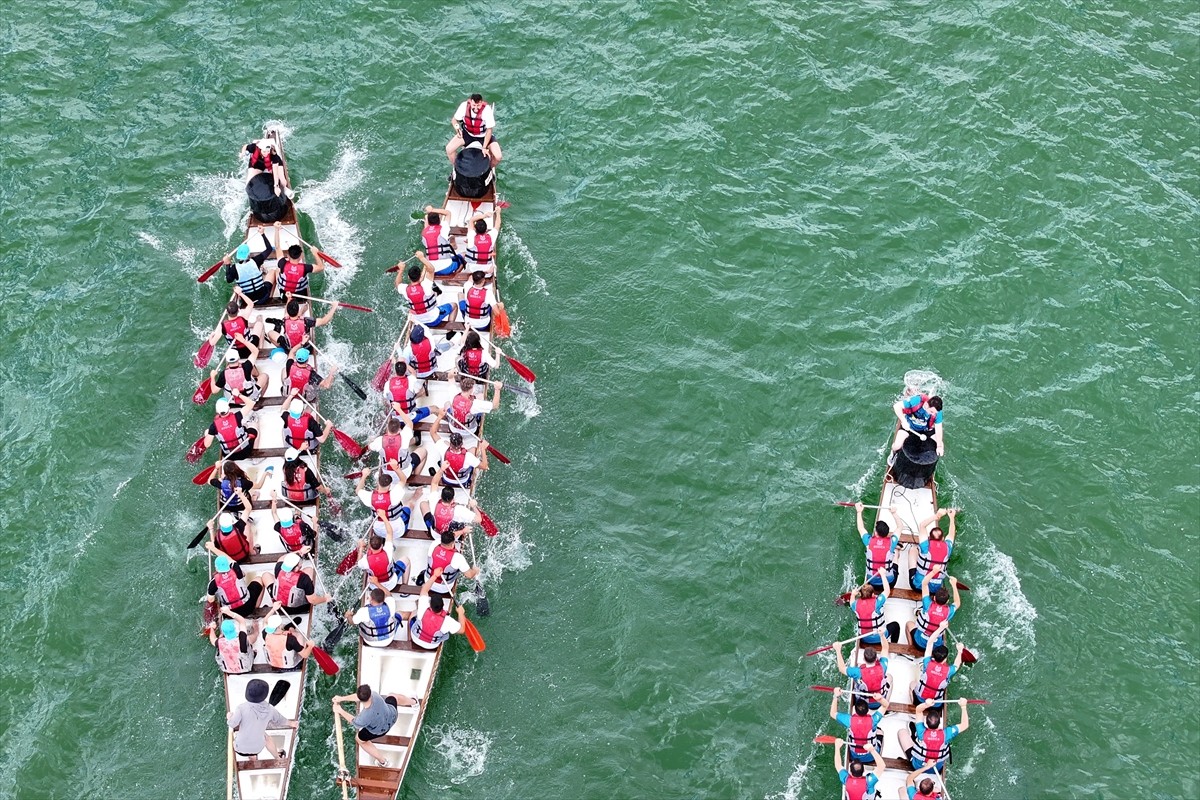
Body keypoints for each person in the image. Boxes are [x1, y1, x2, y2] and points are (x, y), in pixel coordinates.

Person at [332, 685, 420, 768]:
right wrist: (342, 698)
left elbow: (354, 722)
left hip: (381, 730)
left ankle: (383, 762)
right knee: (393, 696)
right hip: (393, 715)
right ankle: (414, 702)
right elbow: (358, 697)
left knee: (359, 739)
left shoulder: (363, 718)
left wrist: (340, 710)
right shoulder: (375, 695)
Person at [228, 679, 296, 759]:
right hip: (257, 749)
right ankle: (277, 757)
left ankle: (252, 757)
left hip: (239, 749)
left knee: (244, 733)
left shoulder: (240, 708)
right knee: (267, 738)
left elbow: (232, 724)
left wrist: (229, 716)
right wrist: (291, 723)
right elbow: (280, 720)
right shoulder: (270, 709)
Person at [897, 699, 970, 772]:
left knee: (902, 732)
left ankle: (913, 746)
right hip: (936, 769)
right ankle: (915, 737)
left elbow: (918, 710)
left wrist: (926, 704)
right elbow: (965, 724)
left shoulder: (921, 731)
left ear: (926, 722)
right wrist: (963, 706)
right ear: (939, 723)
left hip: (918, 767)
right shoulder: (947, 733)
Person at [829, 687, 889, 763]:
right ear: (867, 710)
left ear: (855, 711)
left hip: (854, 756)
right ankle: (878, 756)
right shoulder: (874, 720)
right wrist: (880, 699)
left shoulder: (849, 720)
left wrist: (836, 696)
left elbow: (833, 713)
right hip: (871, 757)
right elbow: (885, 705)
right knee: (880, 732)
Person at [432, 376, 501, 440]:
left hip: (453, 428)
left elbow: (450, 378)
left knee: (447, 403)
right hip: (470, 430)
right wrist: (497, 389)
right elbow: (495, 406)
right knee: (481, 397)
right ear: (471, 390)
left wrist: (451, 373)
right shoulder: (475, 404)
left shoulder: (454, 394)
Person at [399, 255, 457, 327]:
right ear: (420, 276)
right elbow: (431, 269)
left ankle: (436, 293)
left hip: (419, 321)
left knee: (431, 295)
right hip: (434, 320)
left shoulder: (405, 289)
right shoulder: (425, 285)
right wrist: (422, 258)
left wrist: (401, 270)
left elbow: (398, 283)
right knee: (454, 305)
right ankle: (450, 330)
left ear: (408, 277)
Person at [906, 575, 961, 651]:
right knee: (943, 629)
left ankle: (911, 647)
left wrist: (934, 572)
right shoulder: (949, 611)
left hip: (919, 644)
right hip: (935, 647)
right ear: (947, 601)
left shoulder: (927, 604)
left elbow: (924, 584)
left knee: (909, 624)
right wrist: (954, 585)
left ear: (934, 598)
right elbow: (957, 603)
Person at [223, 227, 278, 303]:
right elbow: (269, 249)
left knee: (236, 285)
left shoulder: (234, 268)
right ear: (249, 254)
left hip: (247, 301)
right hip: (263, 297)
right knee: (272, 272)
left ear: (238, 256)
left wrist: (227, 264)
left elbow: (229, 280)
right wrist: (262, 234)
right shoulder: (256, 260)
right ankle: (269, 297)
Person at [417, 528, 479, 596]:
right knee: (459, 568)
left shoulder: (434, 544)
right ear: (453, 544)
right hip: (444, 588)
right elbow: (469, 575)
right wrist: (475, 570)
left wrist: (463, 531)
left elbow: (452, 536)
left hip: (428, 582)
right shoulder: (458, 557)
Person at [263, 552, 330, 614]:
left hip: (279, 606)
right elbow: (313, 600)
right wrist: (325, 598)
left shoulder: (279, 568)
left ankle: (274, 598)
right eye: (299, 563)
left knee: (266, 575)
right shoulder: (304, 578)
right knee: (309, 570)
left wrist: (300, 551)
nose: (301, 564)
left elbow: (281, 558)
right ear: (296, 568)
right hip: (299, 608)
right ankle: (310, 591)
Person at [445, 93, 502, 166]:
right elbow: (454, 120)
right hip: (467, 134)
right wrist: (458, 129)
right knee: (449, 149)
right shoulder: (464, 106)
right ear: (470, 102)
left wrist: (484, 147)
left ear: (481, 103)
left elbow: (489, 130)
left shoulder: (487, 110)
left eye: (478, 105)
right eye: (474, 105)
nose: (475, 108)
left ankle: (489, 168)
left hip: (483, 136)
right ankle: (457, 167)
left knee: (498, 156)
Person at [909, 508, 957, 593]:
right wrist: (952, 517)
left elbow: (922, 525)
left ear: (929, 538)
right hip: (935, 590)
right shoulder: (947, 547)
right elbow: (951, 533)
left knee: (913, 549)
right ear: (943, 538)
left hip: (918, 586)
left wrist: (937, 516)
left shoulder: (925, 545)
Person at [836, 636, 891, 709]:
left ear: (864, 659)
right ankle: (886, 705)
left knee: (857, 677)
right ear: (876, 658)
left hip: (863, 704)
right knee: (889, 677)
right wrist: (881, 635)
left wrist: (837, 650)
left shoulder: (858, 672)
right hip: (880, 701)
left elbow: (841, 668)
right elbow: (885, 648)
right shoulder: (882, 666)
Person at [368, 417, 428, 484]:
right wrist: (398, 409)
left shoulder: (379, 440)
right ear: (399, 430)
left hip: (387, 475)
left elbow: (369, 447)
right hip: (404, 474)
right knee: (423, 451)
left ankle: (416, 440)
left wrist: (372, 440)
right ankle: (415, 483)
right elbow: (410, 423)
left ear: (388, 428)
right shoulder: (404, 436)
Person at [856, 502, 899, 588]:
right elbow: (900, 527)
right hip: (890, 583)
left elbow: (860, 528)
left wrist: (859, 512)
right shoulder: (892, 541)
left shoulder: (869, 541)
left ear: (876, 533)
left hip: (872, 583)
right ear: (887, 534)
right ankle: (897, 551)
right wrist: (894, 513)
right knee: (896, 552)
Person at [357, 516, 404, 593]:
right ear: (382, 545)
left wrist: (361, 548)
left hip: (374, 586)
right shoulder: (388, 551)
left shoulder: (365, 561)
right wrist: (384, 517)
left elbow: (358, 562)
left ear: (370, 546)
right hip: (391, 584)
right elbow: (390, 533)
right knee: (406, 560)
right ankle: (405, 584)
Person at [910, 640, 966, 707]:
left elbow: (929, 644)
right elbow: (957, 664)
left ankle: (912, 705)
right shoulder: (948, 670)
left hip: (919, 701)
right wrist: (960, 651)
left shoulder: (927, 663)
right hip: (936, 705)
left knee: (912, 684)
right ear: (945, 659)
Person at [270, 298, 338, 352]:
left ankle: (284, 350)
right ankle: (304, 308)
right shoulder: (306, 321)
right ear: (297, 310)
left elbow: (286, 312)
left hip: (289, 348)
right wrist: (334, 307)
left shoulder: (285, 319)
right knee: (300, 316)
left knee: (270, 333)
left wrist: (288, 299)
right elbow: (324, 321)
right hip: (305, 348)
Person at [848, 575, 899, 645]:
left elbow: (851, 602)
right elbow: (887, 590)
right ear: (872, 594)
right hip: (880, 637)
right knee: (896, 626)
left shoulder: (855, 605)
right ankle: (894, 644)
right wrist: (883, 575)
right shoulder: (877, 603)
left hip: (864, 638)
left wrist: (853, 595)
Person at [385, 359, 438, 426]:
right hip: (411, 418)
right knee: (435, 408)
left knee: (388, 401)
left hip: (396, 420)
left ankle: (388, 422)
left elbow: (386, 401)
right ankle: (449, 421)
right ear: (405, 370)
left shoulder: (388, 384)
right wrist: (405, 362)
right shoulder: (411, 380)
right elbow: (413, 372)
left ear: (395, 371)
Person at [419, 206, 466, 276]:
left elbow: (426, 225)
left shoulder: (424, 232)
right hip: (447, 268)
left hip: (432, 269)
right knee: (466, 255)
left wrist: (427, 216)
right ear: (440, 220)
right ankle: (454, 275)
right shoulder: (443, 228)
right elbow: (448, 213)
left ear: (428, 221)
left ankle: (453, 244)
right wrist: (432, 209)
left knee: (448, 244)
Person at [462, 209, 499, 275]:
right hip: (487, 271)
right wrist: (498, 212)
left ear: (475, 229)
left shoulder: (471, 236)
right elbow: (498, 224)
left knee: (464, 254)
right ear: (486, 229)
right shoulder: (491, 236)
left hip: (472, 269)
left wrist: (485, 215)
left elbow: (471, 220)